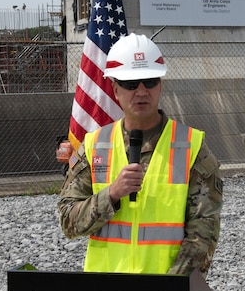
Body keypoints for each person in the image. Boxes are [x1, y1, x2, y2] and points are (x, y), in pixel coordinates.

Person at [58, 33, 223, 278]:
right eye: (131, 83)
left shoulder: (191, 146)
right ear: (115, 89)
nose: (142, 91)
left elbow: (204, 232)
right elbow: (68, 222)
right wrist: (112, 194)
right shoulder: (95, 145)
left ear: (161, 85)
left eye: (150, 81)